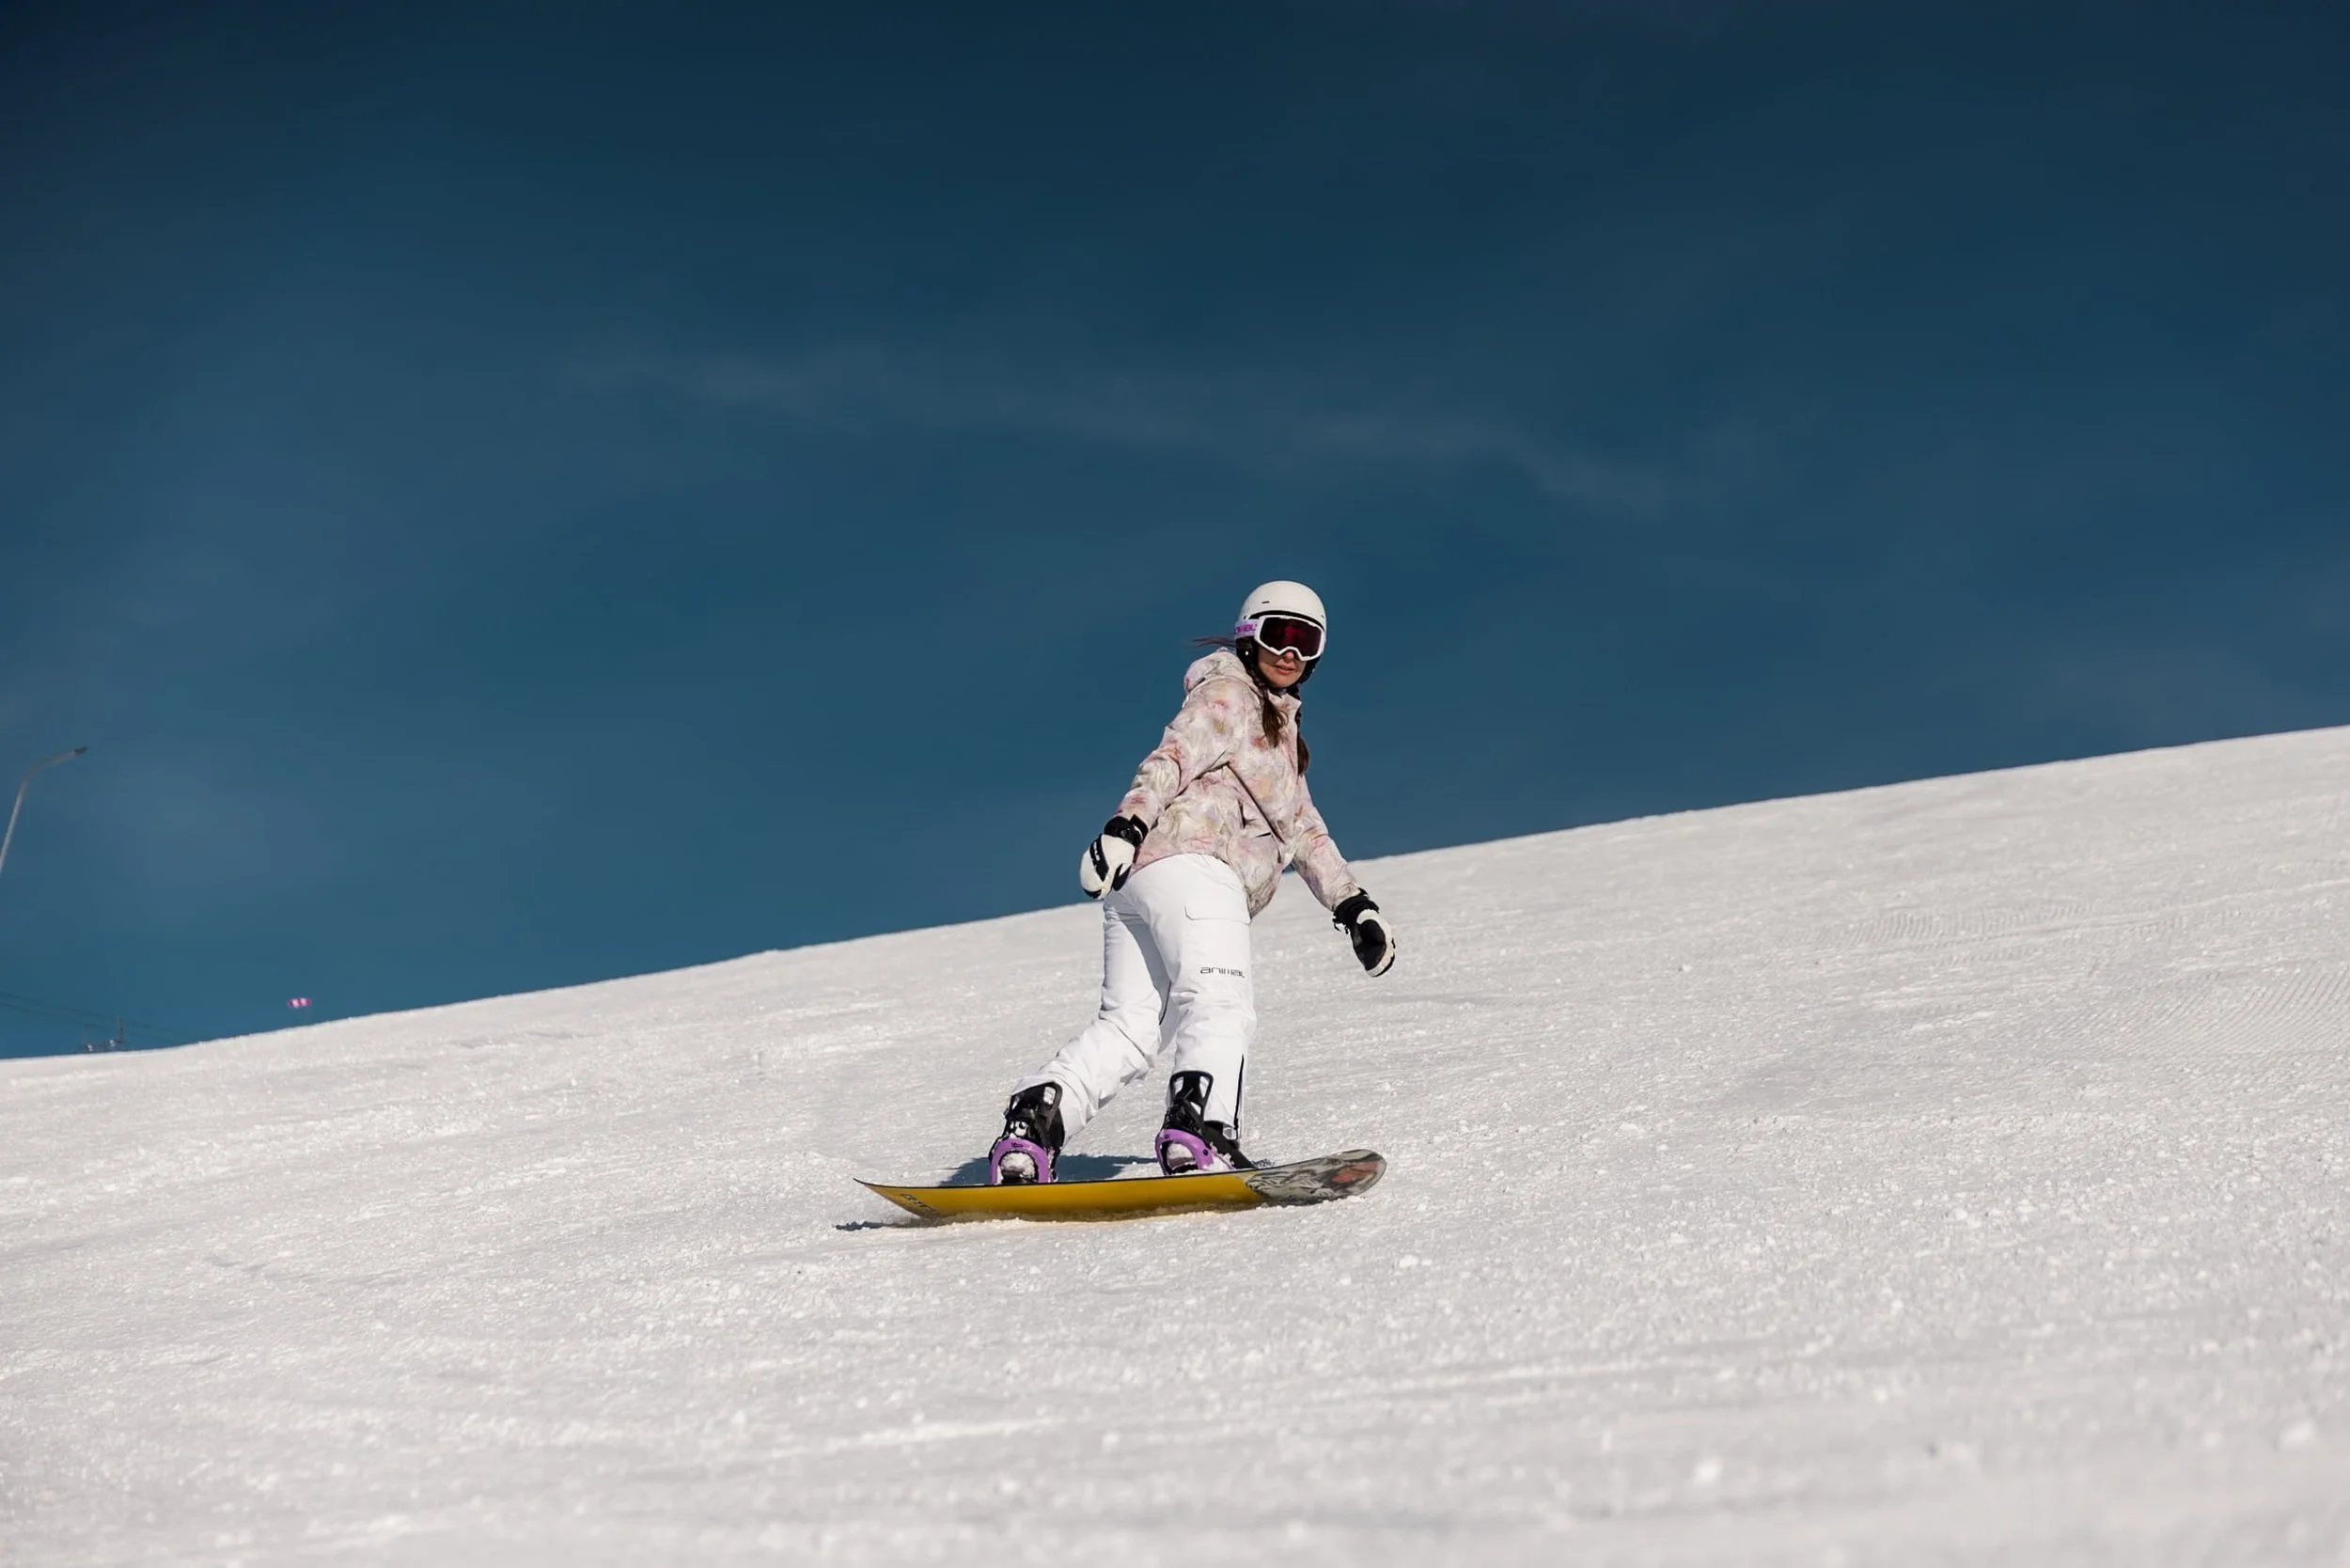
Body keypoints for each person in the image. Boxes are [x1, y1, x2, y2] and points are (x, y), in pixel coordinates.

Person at [987, 581, 1397, 1184]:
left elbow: (1307, 833)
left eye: (1306, 641)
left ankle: (1033, 1127)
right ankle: (1203, 1130)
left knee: (1130, 1030)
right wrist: (1125, 824)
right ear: (1248, 633)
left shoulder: (1279, 741)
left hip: (1149, 882)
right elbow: (1172, 757)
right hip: (1196, 864)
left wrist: (1353, 905)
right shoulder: (1229, 695)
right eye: (1278, 633)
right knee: (1220, 1000)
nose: (1290, 652)